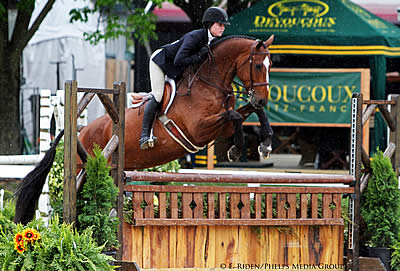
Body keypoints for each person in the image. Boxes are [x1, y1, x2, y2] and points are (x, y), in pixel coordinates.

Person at [139, 7, 230, 150]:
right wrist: (199, 56)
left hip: (177, 69)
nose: (223, 28)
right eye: (220, 24)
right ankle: (144, 134)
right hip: (161, 62)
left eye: (224, 25)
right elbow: (179, 60)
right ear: (210, 24)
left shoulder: (211, 40)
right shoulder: (195, 37)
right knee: (158, 95)